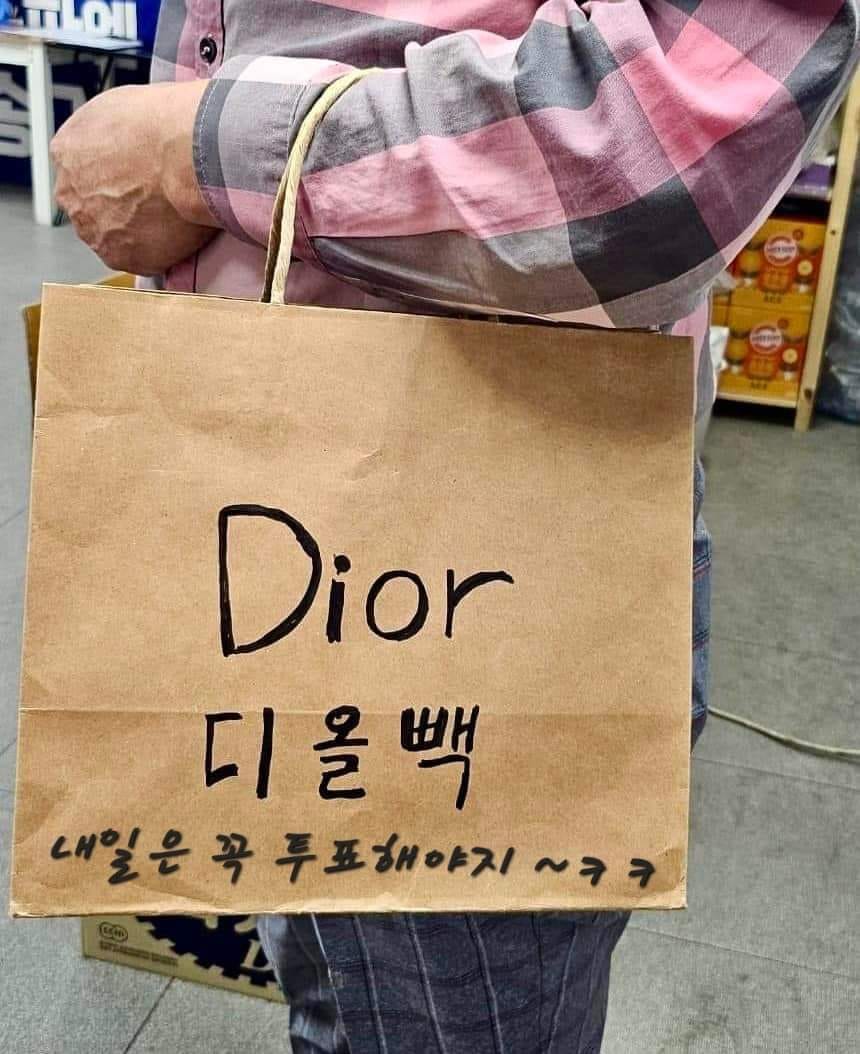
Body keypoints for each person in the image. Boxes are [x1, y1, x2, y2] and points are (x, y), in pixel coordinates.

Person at [51, 2, 858, 1051]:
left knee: (448, 1014)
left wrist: (191, 156)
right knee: (333, 987)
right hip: (259, 498)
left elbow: (663, 146)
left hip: (483, 547)